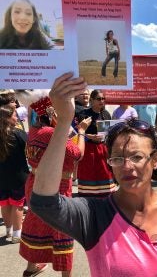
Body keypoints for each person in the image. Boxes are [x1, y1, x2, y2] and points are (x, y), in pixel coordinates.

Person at [29, 72, 157, 276]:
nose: (126, 166)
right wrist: (64, 120)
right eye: (118, 158)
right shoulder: (95, 215)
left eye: (136, 157)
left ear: (155, 160)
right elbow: (43, 202)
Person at [15, 89, 90, 277]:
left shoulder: (34, 130)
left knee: (36, 224)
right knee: (62, 230)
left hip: (35, 182)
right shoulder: (51, 132)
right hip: (57, 186)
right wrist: (80, 132)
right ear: (51, 112)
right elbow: (77, 154)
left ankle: (31, 267)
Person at [77, 90, 116, 197]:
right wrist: (92, 137)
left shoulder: (106, 114)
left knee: (105, 172)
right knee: (89, 174)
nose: (101, 101)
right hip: (89, 149)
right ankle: (89, 199)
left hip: (103, 149)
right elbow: (79, 132)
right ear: (92, 100)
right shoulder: (84, 114)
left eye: (103, 99)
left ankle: (106, 197)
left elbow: (110, 132)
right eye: (99, 99)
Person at [0, 106, 28, 243]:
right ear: (7, 118)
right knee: (18, 203)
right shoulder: (18, 133)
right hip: (18, 175)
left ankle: (8, 231)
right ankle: (17, 234)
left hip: (1, 176)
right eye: (14, 115)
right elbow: (29, 147)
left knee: (4, 203)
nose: (17, 117)